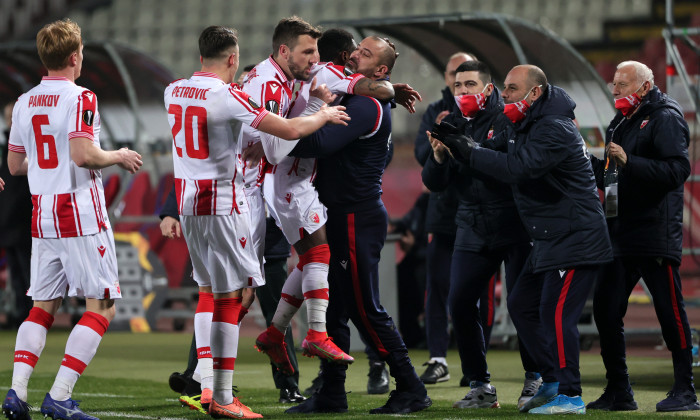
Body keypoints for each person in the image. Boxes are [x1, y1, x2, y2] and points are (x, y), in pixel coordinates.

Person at [163, 25, 348, 419]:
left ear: (201, 56)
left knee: (211, 294)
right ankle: (223, 397)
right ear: (233, 59)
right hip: (227, 204)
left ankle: (207, 385)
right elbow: (287, 133)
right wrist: (323, 112)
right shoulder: (230, 96)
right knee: (232, 298)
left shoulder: (173, 90)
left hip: (189, 205)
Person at [433, 64, 613, 414]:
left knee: (559, 317)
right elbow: (493, 152)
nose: (506, 94)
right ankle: (550, 380)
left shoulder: (554, 128)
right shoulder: (524, 124)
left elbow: (518, 168)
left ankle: (571, 394)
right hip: (549, 238)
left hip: (575, 237)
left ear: (535, 93)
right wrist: (459, 141)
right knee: (522, 305)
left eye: (513, 88)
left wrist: (469, 149)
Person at [1, 19, 143, 420]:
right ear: (75, 57)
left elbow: (14, 165)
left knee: (41, 306)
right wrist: (118, 155)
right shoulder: (82, 98)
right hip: (79, 210)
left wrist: (52, 165)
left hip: (43, 211)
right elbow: (84, 156)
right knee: (102, 305)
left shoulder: (25, 101)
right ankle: (60, 395)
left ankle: (16, 392)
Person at [284, 36, 431, 415]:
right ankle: (333, 391)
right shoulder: (361, 97)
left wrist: (268, 131)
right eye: (355, 49)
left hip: (355, 217)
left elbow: (316, 144)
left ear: (380, 70)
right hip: (342, 213)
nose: (353, 55)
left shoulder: (366, 105)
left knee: (365, 307)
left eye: (364, 53)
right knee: (334, 308)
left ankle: (411, 386)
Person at [422, 60, 539, 410]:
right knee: (458, 302)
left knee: (523, 308)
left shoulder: (508, 119)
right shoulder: (451, 124)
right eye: (458, 86)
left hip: (515, 224)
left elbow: (510, 170)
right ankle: (480, 385)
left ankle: (535, 378)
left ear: (488, 89)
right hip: (471, 224)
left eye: (470, 85)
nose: (463, 92)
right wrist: (439, 157)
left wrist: (467, 150)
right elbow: (433, 184)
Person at [588, 61, 699, 412]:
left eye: (623, 83)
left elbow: (678, 170)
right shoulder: (619, 121)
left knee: (669, 311)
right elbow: (612, 175)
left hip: (654, 231)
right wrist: (583, 160)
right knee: (606, 309)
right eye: (614, 83)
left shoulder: (665, 116)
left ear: (646, 86)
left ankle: (685, 390)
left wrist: (629, 161)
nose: (615, 89)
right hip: (621, 229)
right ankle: (619, 389)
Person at [414, 52, 497, 386]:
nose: (458, 82)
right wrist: (440, 145)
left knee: (482, 292)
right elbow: (423, 157)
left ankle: (479, 356)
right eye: (454, 76)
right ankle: (438, 358)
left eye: (467, 79)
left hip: (483, 217)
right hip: (444, 213)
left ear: (485, 85)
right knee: (438, 288)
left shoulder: (495, 116)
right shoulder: (437, 112)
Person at [0, 101, 32, 329]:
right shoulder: (6, 144)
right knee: (17, 272)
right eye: (8, 117)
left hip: (24, 218)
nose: (10, 121)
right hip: (8, 220)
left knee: (30, 271)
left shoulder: (30, 142)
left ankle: (34, 315)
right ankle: (22, 313)